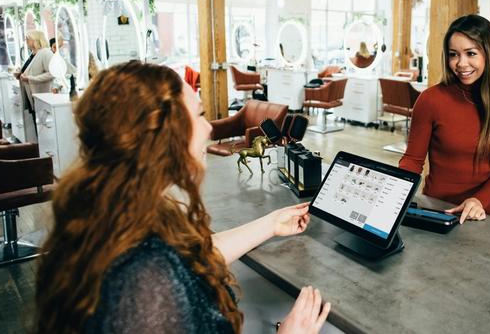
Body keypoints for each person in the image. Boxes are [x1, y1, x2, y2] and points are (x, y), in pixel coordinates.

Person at [35, 61, 330, 333]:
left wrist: (271, 223)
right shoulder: (144, 284)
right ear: (162, 134)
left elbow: (191, 257)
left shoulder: (113, 212)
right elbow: (166, 269)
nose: (209, 128)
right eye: (200, 115)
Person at [399, 15, 490, 223]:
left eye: (471, 53)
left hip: (483, 214)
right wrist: (394, 191)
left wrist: (478, 200)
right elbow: (413, 161)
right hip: (436, 210)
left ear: (489, 54)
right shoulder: (431, 100)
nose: (460, 63)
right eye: (453, 54)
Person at [19, 30, 53, 112]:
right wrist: (20, 73)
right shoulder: (33, 54)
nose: (26, 40)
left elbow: (51, 73)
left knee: (40, 121)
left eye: (28, 38)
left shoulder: (46, 53)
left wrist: (30, 78)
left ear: (36, 39)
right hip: (30, 92)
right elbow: (29, 70)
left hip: (41, 93)